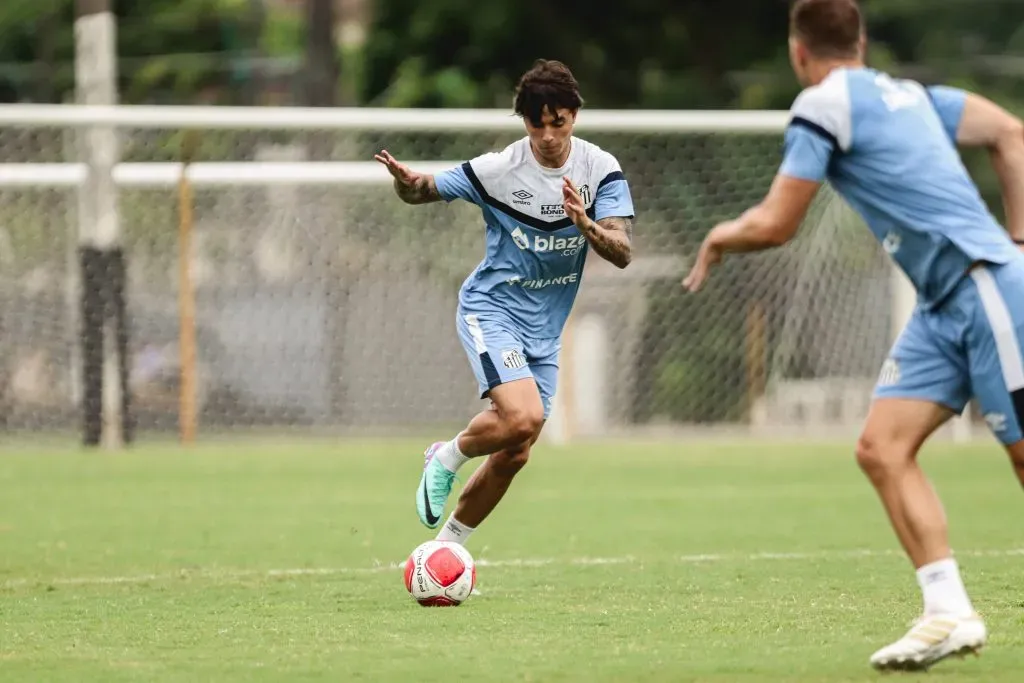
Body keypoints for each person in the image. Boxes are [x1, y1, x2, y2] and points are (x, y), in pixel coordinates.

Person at [683, 0, 1024, 672]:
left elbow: (778, 223)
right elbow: (1011, 132)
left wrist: (720, 234)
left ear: (797, 51)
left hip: (985, 287)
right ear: (861, 41)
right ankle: (947, 610)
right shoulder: (916, 96)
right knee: (881, 447)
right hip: (944, 303)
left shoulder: (821, 105)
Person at [374, 59, 635, 548]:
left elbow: (621, 251)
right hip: (491, 310)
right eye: (538, 123)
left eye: (559, 121)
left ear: (574, 116)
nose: (549, 134)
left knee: (516, 451)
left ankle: (445, 549)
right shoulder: (498, 170)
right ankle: (447, 457)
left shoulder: (601, 170)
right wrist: (405, 183)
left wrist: (587, 226)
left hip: (544, 333)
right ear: (525, 122)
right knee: (523, 418)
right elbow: (423, 191)